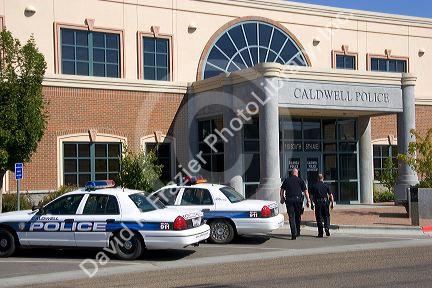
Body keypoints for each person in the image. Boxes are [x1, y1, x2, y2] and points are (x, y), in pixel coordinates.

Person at [280, 168, 311, 240]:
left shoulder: (287, 180)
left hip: (289, 200)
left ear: (291, 173)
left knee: (291, 217)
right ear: (296, 173)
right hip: (298, 200)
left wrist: (282, 198)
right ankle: (298, 232)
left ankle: (293, 233)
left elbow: (282, 190)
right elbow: (306, 191)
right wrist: (308, 201)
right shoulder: (300, 180)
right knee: (298, 216)